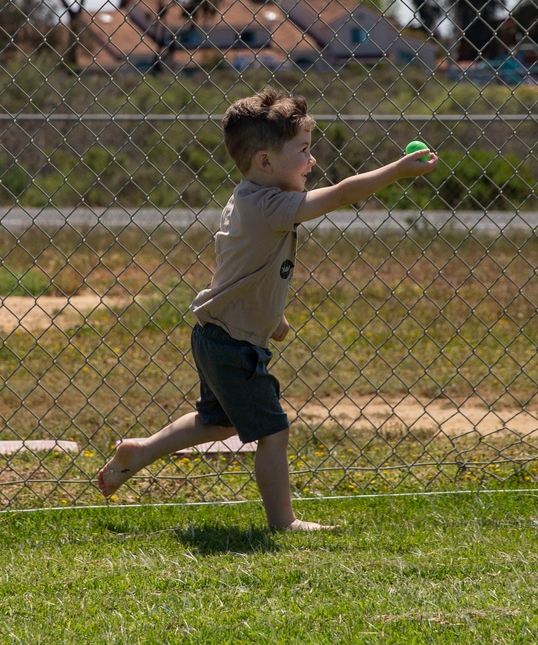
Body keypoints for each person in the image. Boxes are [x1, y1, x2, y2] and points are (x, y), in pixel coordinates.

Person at [97, 88, 438, 530]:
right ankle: (284, 522)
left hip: (219, 334)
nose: (311, 161)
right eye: (303, 151)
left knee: (217, 423)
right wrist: (396, 170)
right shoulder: (268, 205)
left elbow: (241, 269)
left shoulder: (246, 198)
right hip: (232, 343)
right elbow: (339, 196)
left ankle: (139, 452)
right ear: (265, 162)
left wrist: (270, 316)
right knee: (273, 433)